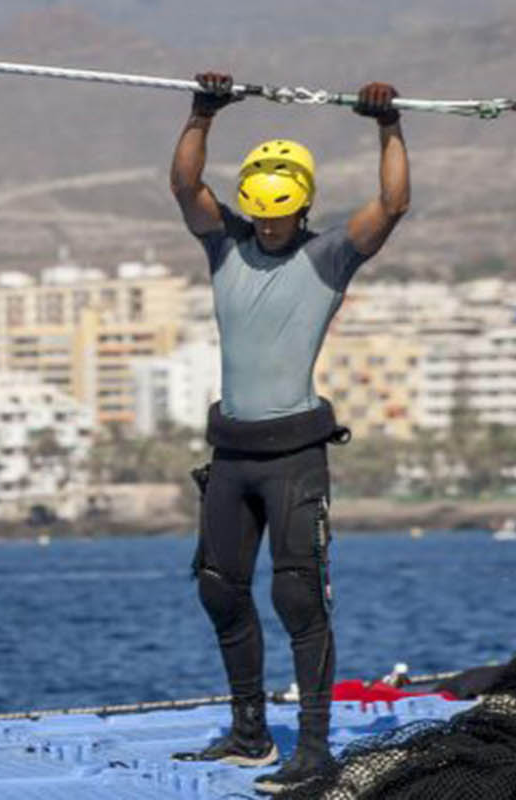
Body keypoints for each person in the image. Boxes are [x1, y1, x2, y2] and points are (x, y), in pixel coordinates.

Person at [167, 73, 409, 795]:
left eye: (280, 219)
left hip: (295, 457)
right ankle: (248, 734)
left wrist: (387, 126)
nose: (268, 229)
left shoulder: (329, 256)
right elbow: (185, 187)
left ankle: (314, 748)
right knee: (219, 589)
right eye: (259, 218)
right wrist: (202, 113)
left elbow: (394, 203)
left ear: (302, 207)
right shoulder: (224, 247)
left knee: (300, 597)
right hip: (232, 454)